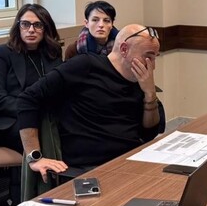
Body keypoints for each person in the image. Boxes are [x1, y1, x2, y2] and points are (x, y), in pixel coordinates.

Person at [17, 23, 166, 178]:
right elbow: (28, 99)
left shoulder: (140, 80)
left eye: (154, 57)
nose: (152, 66)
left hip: (130, 161)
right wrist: (34, 157)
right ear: (124, 49)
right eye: (148, 57)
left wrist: (149, 94)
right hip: (89, 168)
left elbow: (149, 133)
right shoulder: (85, 66)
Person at [0, 3, 63, 152]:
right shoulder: (2, 54)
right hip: (13, 119)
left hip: (48, 115)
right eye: (25, 24)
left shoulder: (53, 52)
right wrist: (31, 111)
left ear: (46, 28)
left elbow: (60, 88)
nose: (31, 30)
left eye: (38, 25)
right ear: (18, 27)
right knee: (45, 131)